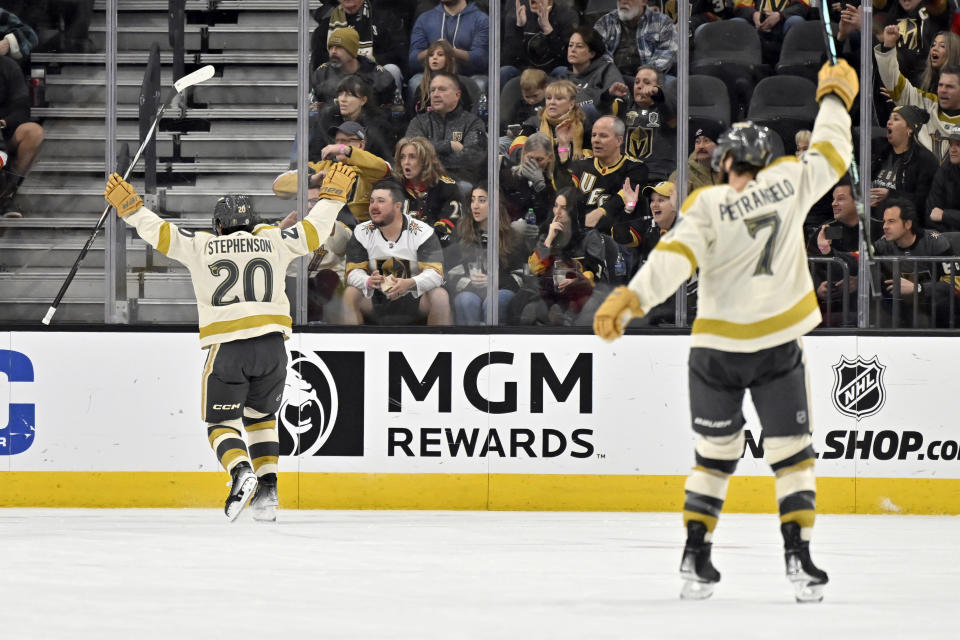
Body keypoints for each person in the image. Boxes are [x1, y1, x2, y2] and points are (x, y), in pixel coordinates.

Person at [593, 59, 860, 602]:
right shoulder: (788, 182)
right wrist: (833, 98)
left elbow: (673, 258)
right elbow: (834, 153)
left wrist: (631, 298)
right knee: (792, 455)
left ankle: (696, 556)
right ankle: (798, 558)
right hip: (777, 344)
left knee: (714, 454)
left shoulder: (706, 203)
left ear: (727, 163)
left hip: (715, 348)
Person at [103, 164, 354, 522]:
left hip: (229, 347)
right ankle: (268, 493)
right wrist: (333, 198)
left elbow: (159, 232)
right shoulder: (273, 240)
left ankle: (240, 472)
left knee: (220, 425)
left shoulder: (200, 245)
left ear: (217, 225)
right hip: (273, 348)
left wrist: (130, 209)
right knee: (262, 418)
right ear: (252, 223)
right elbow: (315, 231)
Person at [341, 179, 451, 325]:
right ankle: (353, 347)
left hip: (414, 299)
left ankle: (439, 346)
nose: (374, 206)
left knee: (440, 296)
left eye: (381, 201)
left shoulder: (423, 232)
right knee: (350, 294)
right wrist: (367, 281)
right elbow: (352, 272)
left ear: (398, 206)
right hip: (376, 298)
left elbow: (436, 274)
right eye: (372, 201)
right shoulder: (361, 231)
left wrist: (410, 283)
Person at [517, 186, 622, 325]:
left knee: (575, 311)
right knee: (528, 308)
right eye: (555, 206)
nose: (558, 212)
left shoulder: (590, 237)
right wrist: (549, 239)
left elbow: (595, 271)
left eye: (564, 208)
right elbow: (535, 268)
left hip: (581, 292)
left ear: (574, 211)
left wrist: (576, 279)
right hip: (552, 292)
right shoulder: (548, 235)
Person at [273, 120, 393, 225]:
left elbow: (385, 168)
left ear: (361, 145)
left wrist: (344, 150)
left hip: (359, 231)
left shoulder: (369, 168)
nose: (338, 145)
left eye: (345, 141)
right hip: (324, 229)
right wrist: (312, 180)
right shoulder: (323, 167)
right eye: (337, 141)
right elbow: (278, 185)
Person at [875, 25, 960, 158]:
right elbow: (893, 81)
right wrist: (889, 46)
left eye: (942, 46)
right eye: (933, 45)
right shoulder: (927, 101)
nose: (943, 90)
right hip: (920, 175)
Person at [448, 184, 526, 324]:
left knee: (494, 302)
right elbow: (450, 273)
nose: (475, 206)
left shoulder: (511, 236)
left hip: (501, 289)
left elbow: (522, 276)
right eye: (473, 200)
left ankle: (497, 344)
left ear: (496, 205)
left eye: (482, 200)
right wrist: (471, 282)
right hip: (470, 289)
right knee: (465, 301)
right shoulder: (461, 233)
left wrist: (495, 281)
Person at [875, 197, 956, 327]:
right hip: (899, 309)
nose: (885, 227)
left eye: (891, 221)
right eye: (884, 222)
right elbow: (859, 260)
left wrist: (918, 289)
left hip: (934, 308)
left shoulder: (935, 242)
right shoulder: (882, 246)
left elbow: (953, 285)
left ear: (907, 224)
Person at [404, 71, 487, 185]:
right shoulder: (419, 121)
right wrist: (449, 145)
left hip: (459, 180)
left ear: (457, 95)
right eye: (433, 90)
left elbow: (472, 158)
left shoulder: (473, 123)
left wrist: (429, 156)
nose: (435, 94)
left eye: (442, 89)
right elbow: (411, 150)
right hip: (424, 179)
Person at [871, 105, 938, 228]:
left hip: (906, 230)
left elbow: (923, 204)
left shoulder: (925, 160)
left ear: (910, 128)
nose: (889, 122)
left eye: (896, 119)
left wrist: (890, 195)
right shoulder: (882, 152)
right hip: (874, 224)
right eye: (889, 118)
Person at [310, 0, 410, 83]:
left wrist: (362, 63)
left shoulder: (385, 19)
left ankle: (389, 106)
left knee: (392, 70)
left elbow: (398, 54)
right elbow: (319, 61)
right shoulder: (325, 27)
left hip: (375, 74)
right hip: (338, 78)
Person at [393, 136, 464, 246]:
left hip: (436, 252)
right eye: (402, 157)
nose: (406, 162)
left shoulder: (447, 187)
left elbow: (449, 225)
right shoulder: (393, 187)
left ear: (425, 160)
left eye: (412, 157)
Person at [313, 75, 396, 161]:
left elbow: (385, 163)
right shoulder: (327, 119)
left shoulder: (379, 125)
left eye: (349, 95)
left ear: (363, 100)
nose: (342, 99)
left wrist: (342, 149)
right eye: (340, 94)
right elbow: (314, 156)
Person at [311, 26, 396, 109]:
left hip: (370, 122)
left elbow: (395, 113)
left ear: (352, 50)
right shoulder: (322, 75)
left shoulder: (379, 76)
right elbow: (311, 112)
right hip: (331, 122)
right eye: (331, 47)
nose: (333, 51)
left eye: (339, 47)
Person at [0, 54, 43, 216]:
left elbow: (22, 108)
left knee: (33, 132)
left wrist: (4, 122)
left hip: (4, 130)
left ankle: (8, 193)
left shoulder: (8, 67)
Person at [502, 0, 578, 87]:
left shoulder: (567, 15)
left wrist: (548, 30)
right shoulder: (519, 12)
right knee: (505, 71)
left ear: (550, 1)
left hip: (552, 71)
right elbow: (508, 59)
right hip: (525, 71)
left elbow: (567, 59)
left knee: (563, 71)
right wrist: (519, 27)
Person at [593, 0, 678, 78]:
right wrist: (612, 75)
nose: (623, 2)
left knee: (668, 82)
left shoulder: (663, 22)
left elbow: (667, 53)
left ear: (644, 1)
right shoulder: (606, 21)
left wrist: (645, 74)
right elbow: (595, 51)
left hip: (650, 78)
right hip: (612, 79)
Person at [622, 64, 677, 183]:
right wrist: (607, 96)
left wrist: (658, 94)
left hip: (656, 178)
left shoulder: (668, 112)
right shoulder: (625, 109)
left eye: (646, 82)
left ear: (660, 86)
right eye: (637, 82)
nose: (640, 86)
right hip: (626, 176)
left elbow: (669, 109)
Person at [408, 0, 489, 78]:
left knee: (480, 82)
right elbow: (413, 61)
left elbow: (482, 60)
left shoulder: (481, 19)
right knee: (416, 82)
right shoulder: (424, 19)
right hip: (432, 76)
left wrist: (452, 51)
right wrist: (434, 49)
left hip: (468, 77)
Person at [563, 25, 625, 114]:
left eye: (579, 46)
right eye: (570, 45)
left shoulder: (606, 70)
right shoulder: (563, 77)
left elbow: (618, 101)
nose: (572, 50)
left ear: (592, 53)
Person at [668, 120, 724, 195]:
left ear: (719, 145)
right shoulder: (682, 175)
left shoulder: (731, 171)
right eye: (697, 142)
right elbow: (672, 205)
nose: (700, 146)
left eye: (706, 141)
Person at [927, 124, 960, 231]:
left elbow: (940, 214)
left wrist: (945, 215)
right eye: (951, 144)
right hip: (947, 233)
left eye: (959, 145)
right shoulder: (944, 170)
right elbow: (932, 212)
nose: (953, 150)